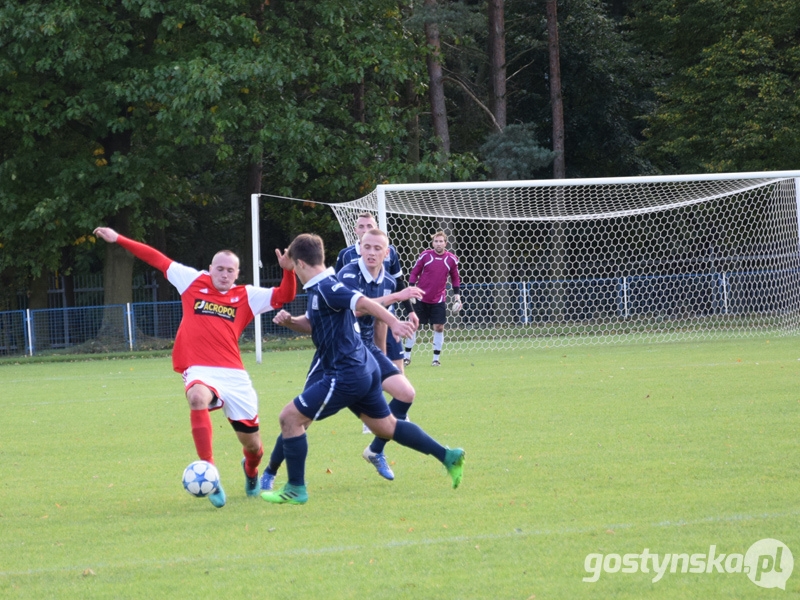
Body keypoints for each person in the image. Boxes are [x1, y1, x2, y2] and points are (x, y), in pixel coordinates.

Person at [93, 226, 296, 508]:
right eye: (220, 268)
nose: (224, 274)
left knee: (253, 447)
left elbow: (284, 295)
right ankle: (209, 473)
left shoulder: (246, 295)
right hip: (199, 369)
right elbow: (156, 258)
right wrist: (119, 239)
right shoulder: (191, 281)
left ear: (237, 273)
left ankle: (251, 471)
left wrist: (289, 269)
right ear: (210, 268)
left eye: (230, 270)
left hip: (234, 376)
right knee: (197, 397)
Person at [259, 233, 465, 505]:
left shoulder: (328, 288)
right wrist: (290, 322)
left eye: (293, 267)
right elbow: (312, 322)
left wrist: (393, 323)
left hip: (345, 372)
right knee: (388, 427)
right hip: (363, 369)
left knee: (290, 418)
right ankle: (447, 456)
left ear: (300, 264)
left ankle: (296, 487)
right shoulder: (321, 287)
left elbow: (364, 303)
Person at [335, 211, 415, 433]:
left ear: (386, 253)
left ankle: (380, 432)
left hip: (367, 344)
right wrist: (397, 297)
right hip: (342, 344)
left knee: (406, 391)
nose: (371, 252)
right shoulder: (347, 274)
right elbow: (358, 309)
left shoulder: (389, 281)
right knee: (307, 409)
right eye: (367, 247)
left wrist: (382, 358)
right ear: (359, 247)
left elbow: (380, 322)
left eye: (377, 248)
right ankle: (372, 418)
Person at [404, 230, 462, 366]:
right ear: (432, 242)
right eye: (436, 241)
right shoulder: (425, 255)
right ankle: (406, 357)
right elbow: (414, 272)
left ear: (445, 243)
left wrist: (457, 297)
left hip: (438, 299)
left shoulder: (451, 259)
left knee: (439, 327)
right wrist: (411, 289)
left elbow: (455, 278)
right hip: (420, 297)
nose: (438, 243)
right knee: (413, 325)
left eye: (441, 241)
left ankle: (435, 359)